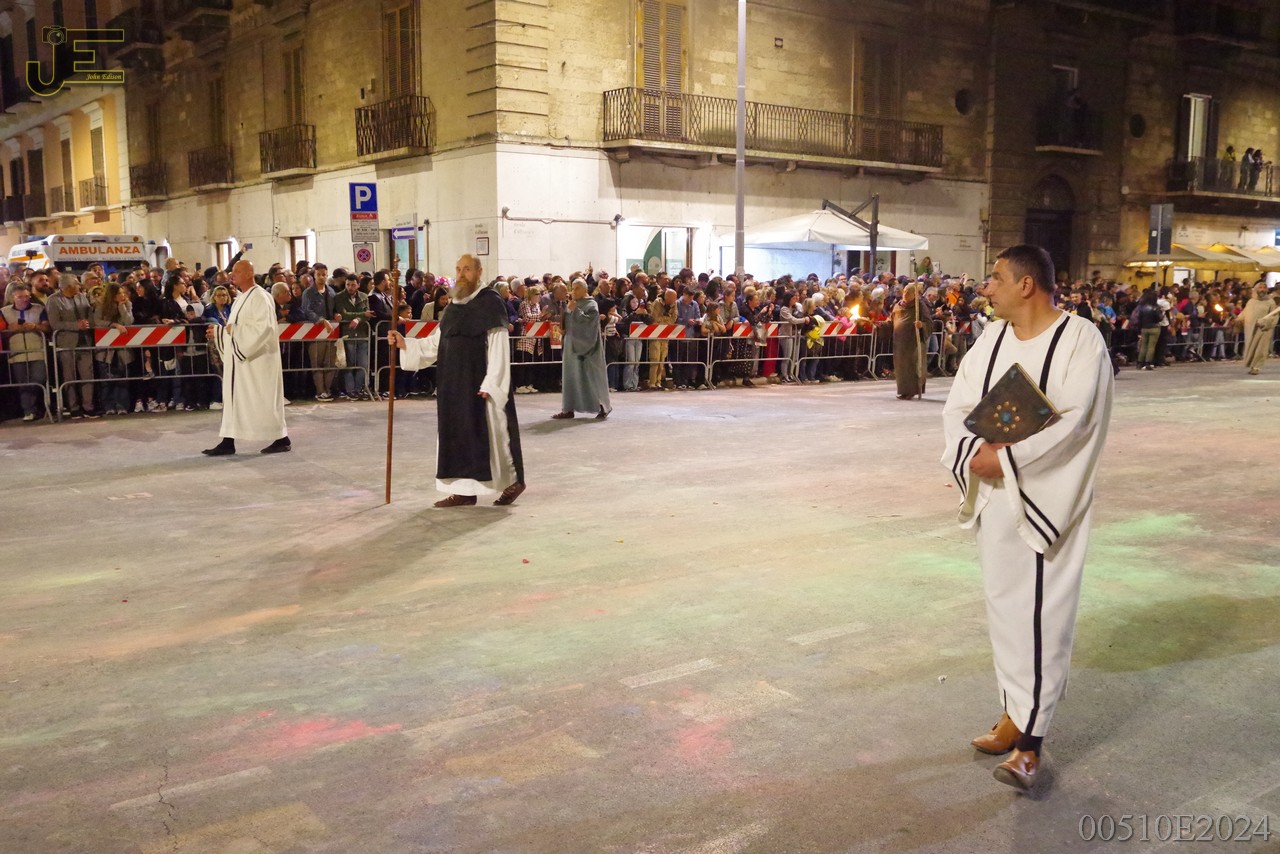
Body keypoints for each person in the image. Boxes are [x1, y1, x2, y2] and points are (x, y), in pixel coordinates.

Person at [941, 244, 1113, 792]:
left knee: (1042, 616)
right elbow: (958, 406)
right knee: (1005, 608)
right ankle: (1014, 714)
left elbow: (1077, 422)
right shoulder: (991, 338)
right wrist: (974, 451)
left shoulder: (1080, 339)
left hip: (1044, 497)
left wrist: (1009, 459)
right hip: (996, 494)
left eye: (995, 277)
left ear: (1026, 284)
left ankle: (1031, 745)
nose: (985, 287)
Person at [388, 254, 526, 507]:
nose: (462, 274)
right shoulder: (454, 306)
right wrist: (405, 344)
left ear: (479, 271)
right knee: (457, 435)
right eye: (458, 269)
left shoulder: (490, 302)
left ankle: (512, 482)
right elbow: (438, 342)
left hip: (480, 383)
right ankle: (464, 491)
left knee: (491, 435)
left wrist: (493, 382)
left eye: (467, 269)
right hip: (452, 384)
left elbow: (499, 345)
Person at [203, 259, 290, 456]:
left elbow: (264, 328)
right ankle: (228, 441)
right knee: (235, 399)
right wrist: (220, 333)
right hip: (242, 363)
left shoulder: (260, 297)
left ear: (249, 274)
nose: (232, 275)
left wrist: (230, 331)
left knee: (263, 400)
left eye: (237, 272)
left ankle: (281, 438)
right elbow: (233, 327)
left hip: (257, 361)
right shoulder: (241, 297)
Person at [552, 279, 612, 420]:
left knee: (592, 377)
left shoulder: (591, 304)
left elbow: (589, 323)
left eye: (577, 288)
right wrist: (562, 329)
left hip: (589, 348)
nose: (574, 291)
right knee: (570, 377)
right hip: (571, 345)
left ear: (585, 289)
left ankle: (603, 406)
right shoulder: (572, 303)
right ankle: (568, 408)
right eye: (573, 288)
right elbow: (566, 320)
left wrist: (575, 311)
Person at [46, 273, 101, 419]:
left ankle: (88, 406)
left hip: (85, 342)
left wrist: (89, 323)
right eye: (76, 283)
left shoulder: (82, 297)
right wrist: (76, 325)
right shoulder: (53, 300)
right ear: (68, 287)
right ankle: (74, 407)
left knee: (87, 375)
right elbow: (54, 323)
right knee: (69, 376)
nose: (79, 286)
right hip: (66, 344)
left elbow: (89, 314)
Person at [0, 284, 50, 421]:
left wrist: (36, 326)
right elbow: (2, 332)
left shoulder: (39, 309)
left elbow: (47, 327)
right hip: (16, 353)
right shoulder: (4, 312)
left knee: (39, 379)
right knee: (22, 382)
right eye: (20, 297)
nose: (24, 299)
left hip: (37, 350)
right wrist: (10, 329)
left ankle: (35, 407)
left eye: (27, 296)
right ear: (12, 298)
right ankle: (29, 410)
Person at [892, 283, 928, 399]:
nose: (905, 294)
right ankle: (904, 390)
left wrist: (922, 325)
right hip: (900, 342)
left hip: (913, 341)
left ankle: (913, 390)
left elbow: (929, 322)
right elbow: (892, 320)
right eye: (904, 292)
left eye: (909, 293)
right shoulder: (897, 306)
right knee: (901, 367)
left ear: (915, 295)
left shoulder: (919, 306)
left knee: (913, 366)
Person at [1240, 283, 1280, 375]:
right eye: (1260, 287)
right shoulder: (1251, 302)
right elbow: (1245, 313)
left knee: (1261, 348)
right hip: (1251, 329)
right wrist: (1238, 320)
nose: (1262, 289)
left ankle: (1256, 367)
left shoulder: (1270, 302)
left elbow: (1274, 316)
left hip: (1263, 329)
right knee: (1251, 347)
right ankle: (1251, 365)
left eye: (1264, 288)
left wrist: (1264, 323)